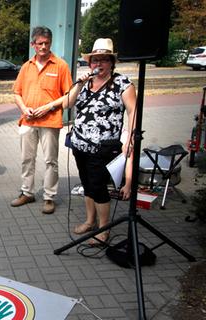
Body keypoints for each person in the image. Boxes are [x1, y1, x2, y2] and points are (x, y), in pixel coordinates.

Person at [63, 38, 136, 245]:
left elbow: (133, 111)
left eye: (104, 60)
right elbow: (68, 103)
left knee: (98, 186)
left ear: (112, 63)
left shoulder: (123, 83)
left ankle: (104, 229)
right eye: (95, 60)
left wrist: (130, 137)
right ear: (90, 63)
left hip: (103, 147)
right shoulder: (85, 83)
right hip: (79, 144)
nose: (99, 64)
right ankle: (89, 221)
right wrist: (79, 83)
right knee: (87, 184)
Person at [11, 26, 73, 214]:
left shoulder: (60, 65)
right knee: (26, 159)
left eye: (47, 43)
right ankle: (27, 192)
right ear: (33, 45)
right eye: (40, 43)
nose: (44, 46)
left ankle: (49, 197)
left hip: (50, 122)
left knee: (50, 161)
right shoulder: (26, 66)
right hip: (28, 121)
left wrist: (49, 106)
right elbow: (16, 93)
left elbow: (70, 97)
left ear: (50, 43)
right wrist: (24, 108)